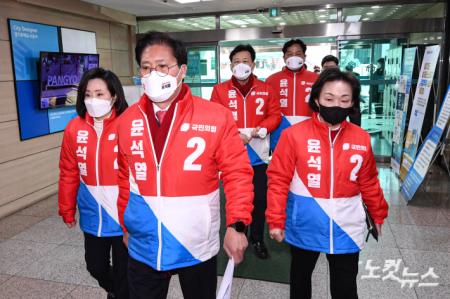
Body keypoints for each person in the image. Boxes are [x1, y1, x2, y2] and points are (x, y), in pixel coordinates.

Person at [116, 32, 254, 299]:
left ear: (181, 71)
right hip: (144, 241)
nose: (153, 74)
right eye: (146, 67)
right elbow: (125, 177)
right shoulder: (126, 121)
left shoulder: (215, 116)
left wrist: (237, 225)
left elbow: (238, 173)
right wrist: (125, 224)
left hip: (195, 243)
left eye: (162, 66)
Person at [266, 68, 388, 299]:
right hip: (305, 222)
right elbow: (278, 180)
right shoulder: (294, 135)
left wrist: (378, 214)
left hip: (346, 224)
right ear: (316, 99)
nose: (336, 105)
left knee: (345, 287)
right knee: (300, 280)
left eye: (344, 100)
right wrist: (276, 219)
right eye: (329, 99)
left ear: (352, 103)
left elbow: (369, 181)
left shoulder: (361, 138)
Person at [58, 67, 129, 299]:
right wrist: (67, 208)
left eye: (99, 94)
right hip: (93, 214)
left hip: (124, 216)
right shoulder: (73, 128)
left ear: (114, 96)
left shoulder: (128, 125)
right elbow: (68, 171)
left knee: (125, 272)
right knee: (95, 266)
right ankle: (115, 292)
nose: (92, 100)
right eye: (88, 94)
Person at [211, 44, 281, 259]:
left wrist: (261, 130)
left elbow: (275, 114)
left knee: (260, 200)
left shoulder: (266, 88)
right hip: (232, 156)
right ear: (230, 65)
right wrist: (234, 135)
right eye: (236, 62)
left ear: (253, 64)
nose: (241, 65)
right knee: (237, 198)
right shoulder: (220, 90)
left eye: (245, 61)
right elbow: (215, 117)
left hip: (258, 155)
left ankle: (257, 238)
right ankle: (239, 232)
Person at [266, 39, 319, 151]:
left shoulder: (317, 79)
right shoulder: (271, 80)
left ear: (304, 57)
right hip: (279, 136)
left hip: (310, 136)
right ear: (284, 57)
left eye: (298, 54)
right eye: (289, 54)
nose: (293, 57)